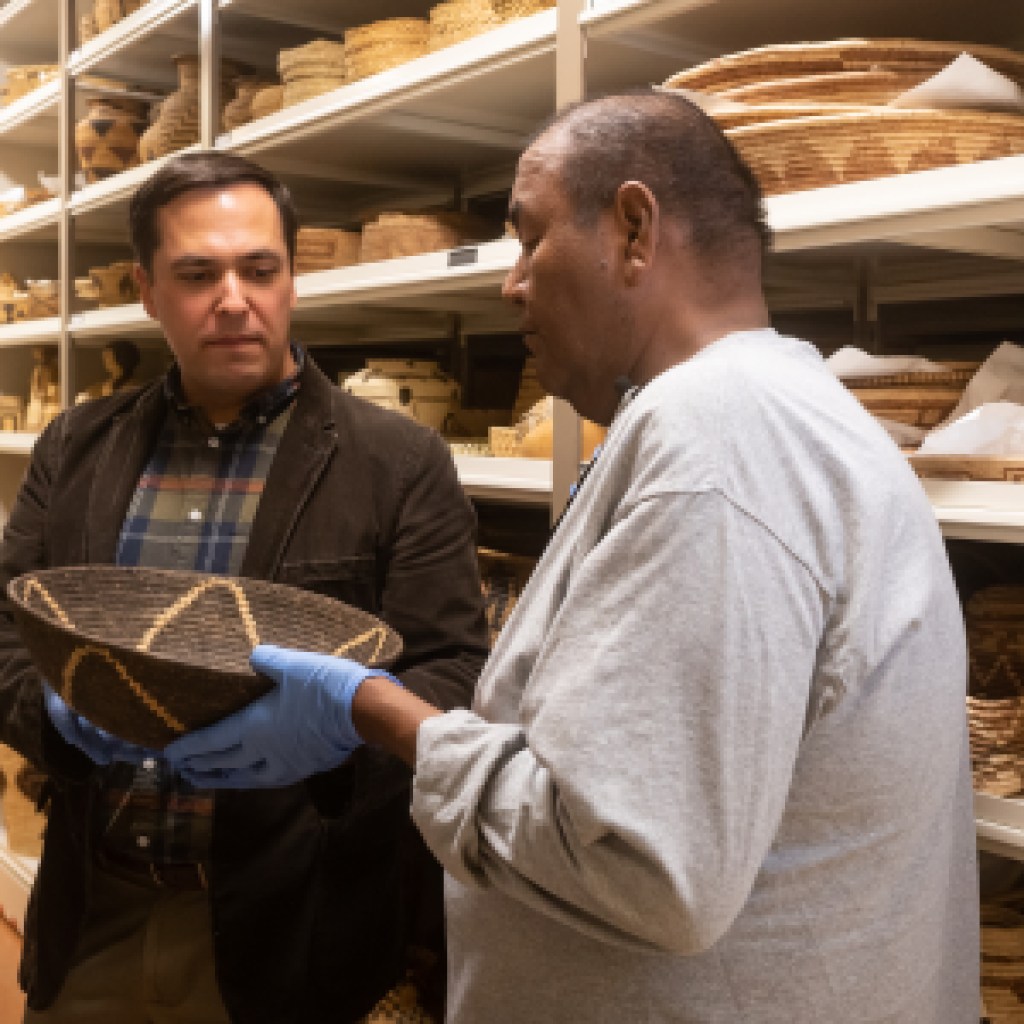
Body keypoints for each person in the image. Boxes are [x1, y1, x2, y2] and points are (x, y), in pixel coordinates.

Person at [166, 91, 980, 1022]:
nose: (512, 283)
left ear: (634, 228)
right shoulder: (774, 410)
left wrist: (376, 711)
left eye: (529, 238)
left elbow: (636, 861)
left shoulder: (718, 437)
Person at [0, 150, 489, 1023]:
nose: (234, 298)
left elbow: (451, 672)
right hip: (94, 916)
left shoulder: (397, 462)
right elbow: (3, 633)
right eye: (197, 274)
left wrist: (339, 739)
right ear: (148, 291)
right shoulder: (76, 446)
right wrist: (55, 716)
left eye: (259, 269)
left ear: (291, 278)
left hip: (292, 933)